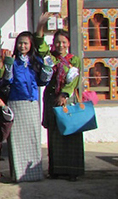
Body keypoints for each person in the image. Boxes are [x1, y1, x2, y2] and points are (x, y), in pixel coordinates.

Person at [36, 25, 84, 181]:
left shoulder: (74, 60)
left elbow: (74, 80)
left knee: (71, 133)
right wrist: (40, 27)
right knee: (54, 134)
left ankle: (73, 171)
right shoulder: (51, 58)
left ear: (68, 43)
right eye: (57, 42)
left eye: (63, 42)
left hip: (68, 99)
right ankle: (55, 170)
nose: (60, 45)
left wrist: (64, 94)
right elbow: (40, 46)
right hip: (52, 98)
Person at [5, 28, 51, 182]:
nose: (22, 46)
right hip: (15, 101)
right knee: (16, 141)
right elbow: (7, 80)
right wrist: (7, 65)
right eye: (20, 43)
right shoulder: (13, 60)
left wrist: (47, 69)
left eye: (25, 43)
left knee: (33, 138)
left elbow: (43, 81)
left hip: (31, 102)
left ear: (31, 45)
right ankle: (18, 174)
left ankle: (34, 173)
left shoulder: (36, 61)